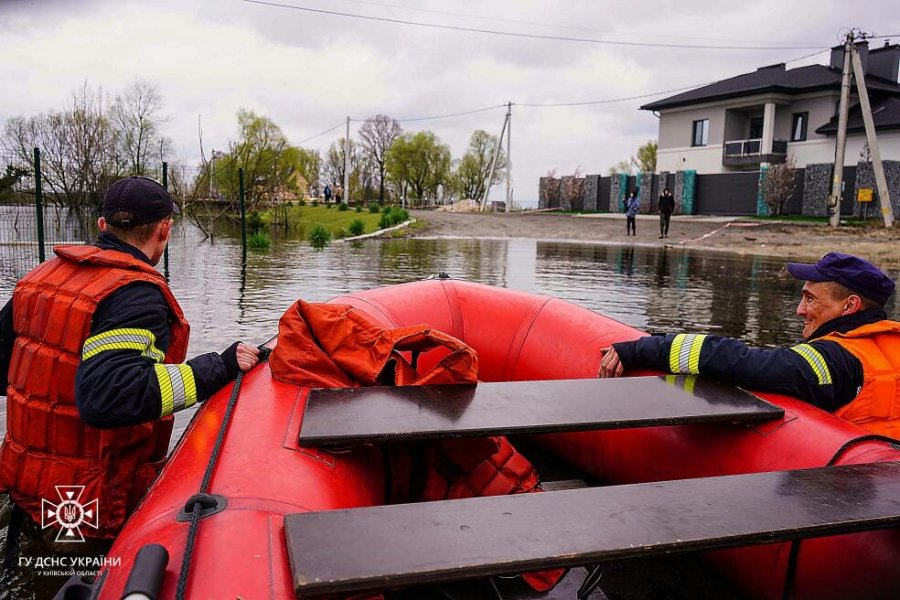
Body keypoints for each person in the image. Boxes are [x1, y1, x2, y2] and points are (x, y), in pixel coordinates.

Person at [0, 176, 260, 541]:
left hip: (25, 488)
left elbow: (11, 372)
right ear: (165, 230)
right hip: (87, 506)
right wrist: (219, 367)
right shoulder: (135, 295)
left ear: (102, 225)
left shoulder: (40, 279)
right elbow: (110, 397)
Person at [599, 252, 900, 438]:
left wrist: (647, 348)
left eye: (811, 299)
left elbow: (744, 362)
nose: (799, 310)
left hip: (863, 491)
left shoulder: (836, 358)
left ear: (850, 306)